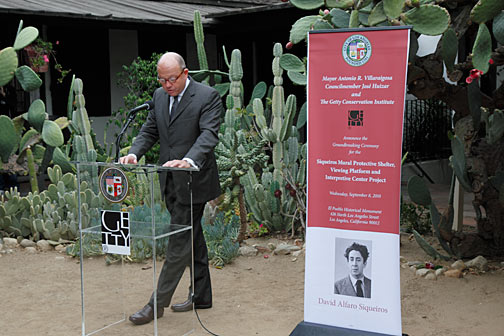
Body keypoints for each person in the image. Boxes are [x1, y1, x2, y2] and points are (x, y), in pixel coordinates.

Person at [120, 52, 222, 325]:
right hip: (169, 180)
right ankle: (201, 295)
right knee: (193, 237)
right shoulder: (158, 96)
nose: (167, 85)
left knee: (178, 242)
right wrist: (134, 153)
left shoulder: (207, 96)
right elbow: (150, 129)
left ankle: (156, 305)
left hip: (195, 181)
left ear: (185, 73)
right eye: (162, 80)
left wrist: (188, 160)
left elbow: (208, 134)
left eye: (172, 79)